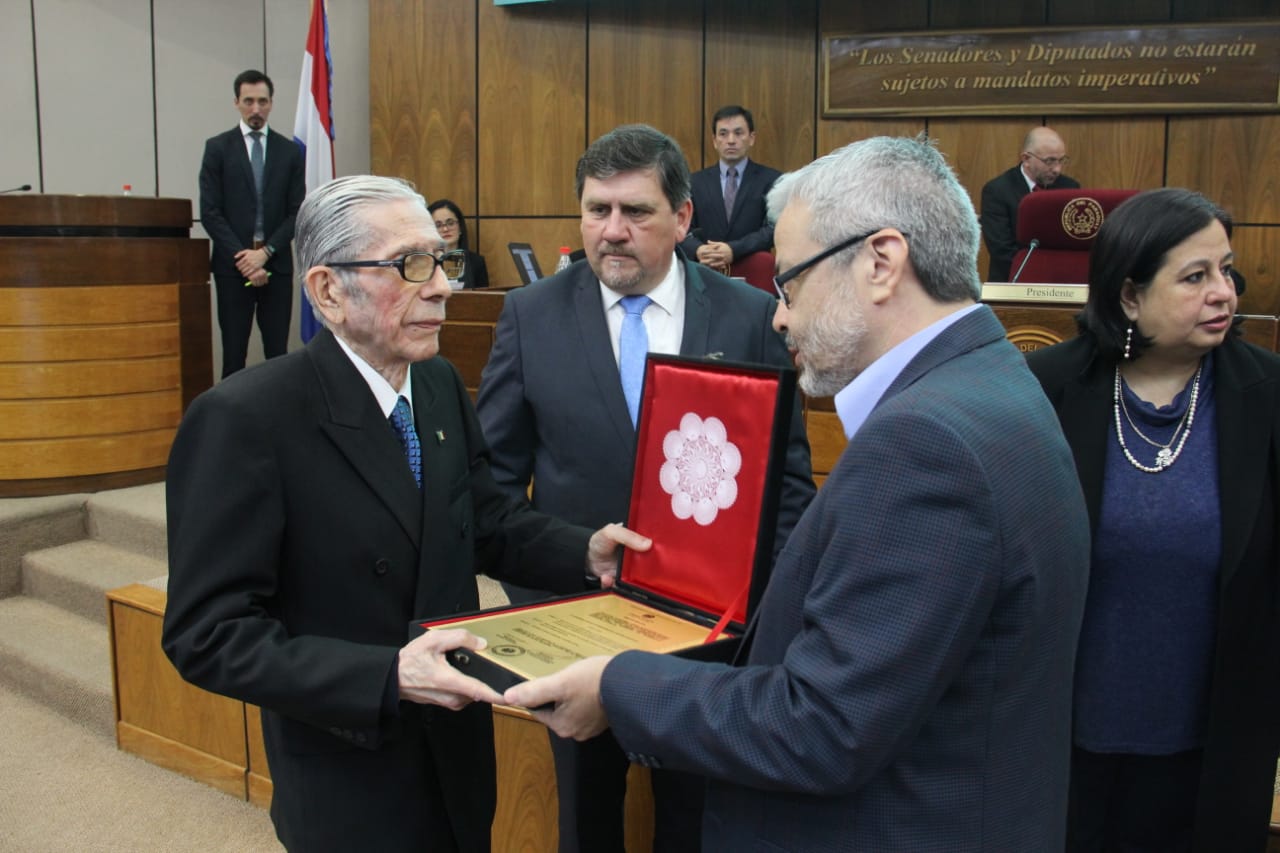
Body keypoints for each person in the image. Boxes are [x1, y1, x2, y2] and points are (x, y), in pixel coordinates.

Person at [503, 135, 1093, 851]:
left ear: (880, 262)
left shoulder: (925, 445)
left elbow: (823, 724)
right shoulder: (994, 382)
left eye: (791, 283)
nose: (779, 316)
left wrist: (618, 684)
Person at [161, 175, 649, 853]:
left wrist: (586, 550)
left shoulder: (440, 382)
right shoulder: (247, 419)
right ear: (329, 290)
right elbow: (206, 633)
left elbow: (486, 522)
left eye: (442, 260)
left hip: (456, 754)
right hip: (350, 772)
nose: (443, 286)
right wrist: (386, 675)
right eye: (409, 266)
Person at [475, 123, 816, 853]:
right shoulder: (529, 317)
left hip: (711, 642)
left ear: (684, 217)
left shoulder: (750, 316)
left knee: (696, 823)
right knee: (587, 824)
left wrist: (755, 623)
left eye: (636, 212)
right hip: (574, 628)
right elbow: (491, 492)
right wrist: (544, 615)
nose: (613, 231)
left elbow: (784, 488)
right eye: (597, 210)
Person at [1025, 188, 1280, 852]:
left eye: (1227, 270)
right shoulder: (1046, 387)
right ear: (1130, 295)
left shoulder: (1267, 395)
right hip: (1061, 747)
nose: (1223, 292)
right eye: (1195, 277)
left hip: (1210, 753)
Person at [199, 69, 306, 377]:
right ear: (236, 102)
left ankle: (279, 421)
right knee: (233, 353)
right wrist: (246, 260)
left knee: (278, 354)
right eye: (249, 101)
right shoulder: (218, 148)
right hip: (233, 267)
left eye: (262, 101)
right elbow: (210, 212)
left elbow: (296, 212)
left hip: (276, 264)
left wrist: (266, 252)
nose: (256, 109)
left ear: (271, 103)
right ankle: (232, 424)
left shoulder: (289, 152)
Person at [679, 105, 781, 275]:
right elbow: (680, 225)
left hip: (753, 271)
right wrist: (698, 250)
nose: (731, 140)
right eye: (723, 134)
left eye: (738, 133)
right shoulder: (693, 182)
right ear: (714, 141)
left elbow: (773, 229)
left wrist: (734, 249)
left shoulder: (772, 180)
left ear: (751, 138)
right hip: (704, 271)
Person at [980, 125, 1080, 282]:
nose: (1057, 169)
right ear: (1026, 159)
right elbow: (1001, 250)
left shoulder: (1070, 188)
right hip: (1011, 282)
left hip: (1060, 283)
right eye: (1050, 161)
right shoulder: (997, 191)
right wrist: (1041, 273)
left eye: (1062, 160)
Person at [429, 198, 489, 289]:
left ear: (460, 227)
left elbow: (483, 299)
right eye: (438, 225)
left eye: (450, 223)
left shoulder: (476, 262)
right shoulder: (425, 262)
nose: (445, 229)